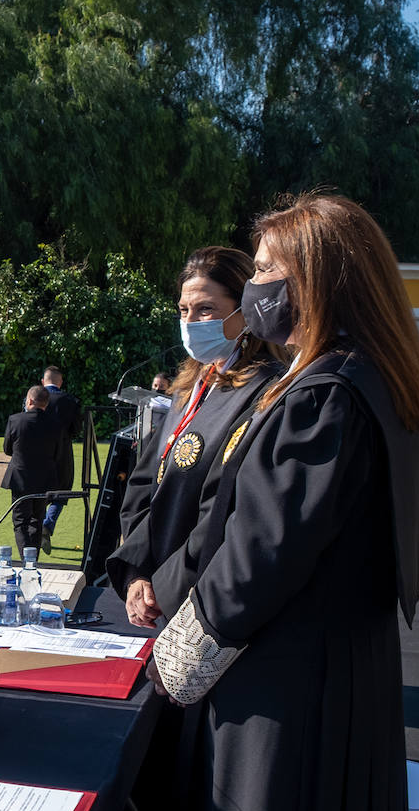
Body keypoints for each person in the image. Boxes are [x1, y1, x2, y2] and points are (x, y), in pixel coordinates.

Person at [146, 194, 419, 811]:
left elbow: (254, 562)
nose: (260, 284)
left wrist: (167, 665)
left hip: (291, 705)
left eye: (271, 269)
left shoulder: (326, 397)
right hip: (339, 687)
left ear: (319, 281)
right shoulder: (363, 380)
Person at [107, 246, 286, 619]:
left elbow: (226, 510)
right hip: (157, 590)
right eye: (184, 310)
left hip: (203, 600)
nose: (191, 321)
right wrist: (137, 573)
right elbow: (145, 479)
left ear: (245, 311)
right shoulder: (192, 384)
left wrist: (165, 586)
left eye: (206, 309)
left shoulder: (265, 391)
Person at [0, 385, 60, 556]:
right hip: (44, 479)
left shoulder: (15, 420)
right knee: (37, 519)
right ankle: (33, 559)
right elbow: (58, 453)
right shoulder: (55, 424)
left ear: (30, 400)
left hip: (20, 478)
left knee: (21, 521)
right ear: (46, 404)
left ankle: (26, 559)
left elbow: (7, 449)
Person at [38, 365, 81, 553]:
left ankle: (37, 528)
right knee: (62, 491)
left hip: (38, 451)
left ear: (43, 381)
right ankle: (47, 524)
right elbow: (77, 429)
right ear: (60, 382)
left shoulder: (34, 397)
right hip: (63, 451)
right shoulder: (70, 401)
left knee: (38, 491)